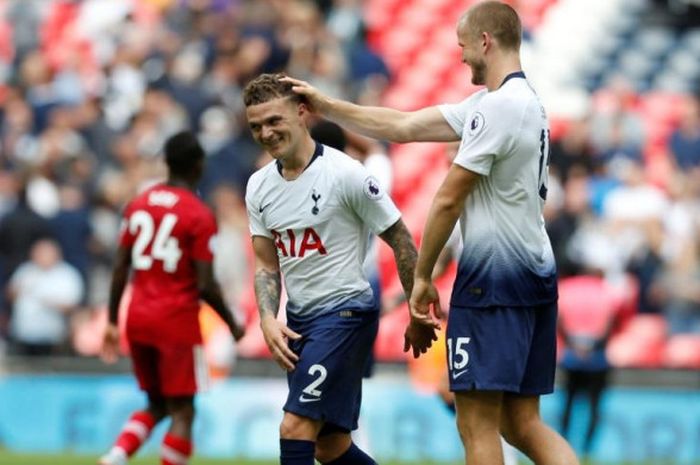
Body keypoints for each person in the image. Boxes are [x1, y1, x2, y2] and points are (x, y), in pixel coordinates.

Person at [283, 2, 580, 464]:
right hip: (533, 272)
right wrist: (326, 106)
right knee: (521, 424)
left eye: (463, 45)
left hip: (493, 282)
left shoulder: (499, 108)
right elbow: (402, 126)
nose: (459, 56)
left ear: (485, 41)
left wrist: (420, 278)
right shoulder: (515, 104)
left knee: (475, 423)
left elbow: (447, 198)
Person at [242, 73, 436, 465]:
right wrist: (266, 317)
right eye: (256, 126)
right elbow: (266, 263)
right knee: (330, 447)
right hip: (300, 321)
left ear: (301, 113)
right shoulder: (258, 187)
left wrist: (416, 312)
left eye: (274, 121)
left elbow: (399, 237)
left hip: (345, 315)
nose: (265, 132)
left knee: (294, 428)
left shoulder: (346, 174)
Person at [98, 131, 245, 465]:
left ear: (166, 162)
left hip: (137, 316)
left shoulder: (139, 204)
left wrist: (110, 321)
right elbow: (206, 285)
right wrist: (232, 324)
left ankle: (116, 456)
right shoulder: (199, 214)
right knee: (183, 410)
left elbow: (120, 268)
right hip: (175, 320)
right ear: (199, 165)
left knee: (156, 403)